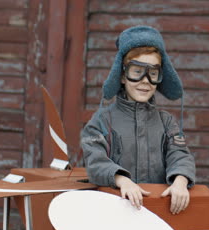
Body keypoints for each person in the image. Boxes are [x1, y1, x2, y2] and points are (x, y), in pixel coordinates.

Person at [81, 26, 195, 215]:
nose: (145, 81)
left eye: (153, 74)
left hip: (159, 214)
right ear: (122, 76)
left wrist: (181, 181)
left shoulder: (167, 122)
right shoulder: (102, 120)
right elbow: (94, 160)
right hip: (115, 213)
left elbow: (180, 155)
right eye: (136, 71)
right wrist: (121, 179)